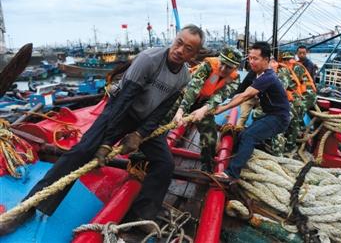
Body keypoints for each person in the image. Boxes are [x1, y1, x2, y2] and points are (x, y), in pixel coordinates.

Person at [0, 24, 205, 235]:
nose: (180, 50)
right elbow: (123, 100)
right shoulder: (149, 59)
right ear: (174, 39)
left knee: (165, 164)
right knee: (81, 152)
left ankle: (142, 216)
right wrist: (107, 142)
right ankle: (27, 209)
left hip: (143, 120)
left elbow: (160, 111)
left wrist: (140, 135)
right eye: (179, 43)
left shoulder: (183, 78)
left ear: (194, 54)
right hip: (120, 111)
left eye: (188, 49)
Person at [213, 42, 290, 179]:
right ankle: (233, 159)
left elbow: (245, 96)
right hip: (270, 114)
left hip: (279, 118)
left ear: (266, 60)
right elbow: (239, 92)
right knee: (243, 135)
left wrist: (222, 109)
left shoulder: (268, 77)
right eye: (249, 58)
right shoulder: (257, 74)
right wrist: (219, 102)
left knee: (249, 136)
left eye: (255, 59)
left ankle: (231, 174)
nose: (251, 62)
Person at [173, 47, 242, 172]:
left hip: (204, 104)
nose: (223, 69)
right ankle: (144, 153)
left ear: (235, 68)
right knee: (162, 120)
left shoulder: (235, 79)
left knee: (210, 138)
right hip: (184, 97)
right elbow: (193, 88)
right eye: (222, 64)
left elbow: (218, 97)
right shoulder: (207, 66)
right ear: (218, 60)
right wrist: (181, 110)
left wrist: (203, 110)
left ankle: (207, 167)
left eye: (228, 67)